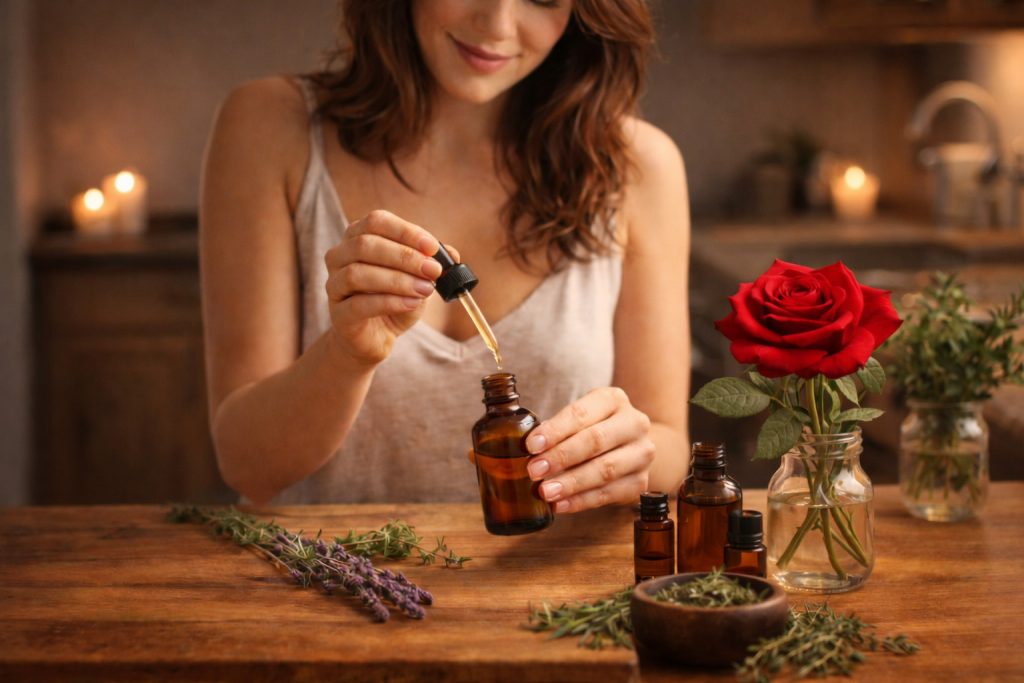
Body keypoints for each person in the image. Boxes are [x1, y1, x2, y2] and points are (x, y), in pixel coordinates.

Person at [199, 0, 691, 511]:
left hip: (546, 581)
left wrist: (632, 459)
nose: (497, 24)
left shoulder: (640, 166)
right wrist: (347, 356)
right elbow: (247, 467)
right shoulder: (269, 125)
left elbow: (668, 443)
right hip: (323, 578)